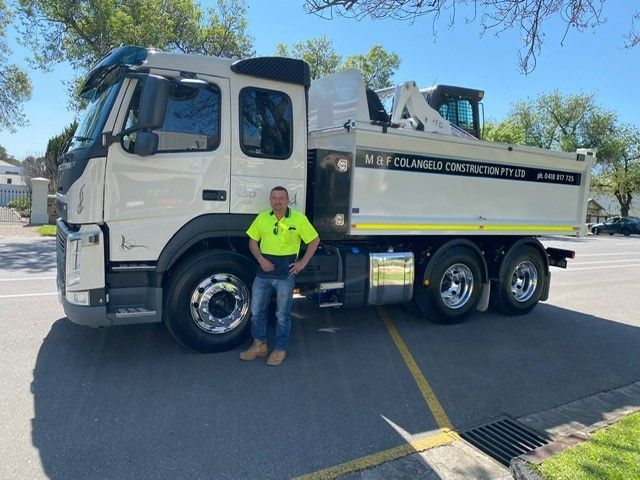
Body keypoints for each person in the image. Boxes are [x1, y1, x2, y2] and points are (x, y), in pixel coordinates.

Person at [240, 186, 320, 366]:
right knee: (256, 312)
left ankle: (280, 349)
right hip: (263, 273)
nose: (278, 201)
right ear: (270, 201)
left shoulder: (298, 218)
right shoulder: (262, 218)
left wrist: (302, 263)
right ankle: (259, 345)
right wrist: (260, 259)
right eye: (274, 198)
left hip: (285, 275)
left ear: (288, 200)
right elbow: (253, 242)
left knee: (282, 315)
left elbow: (315, 240)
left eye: (281, 198)